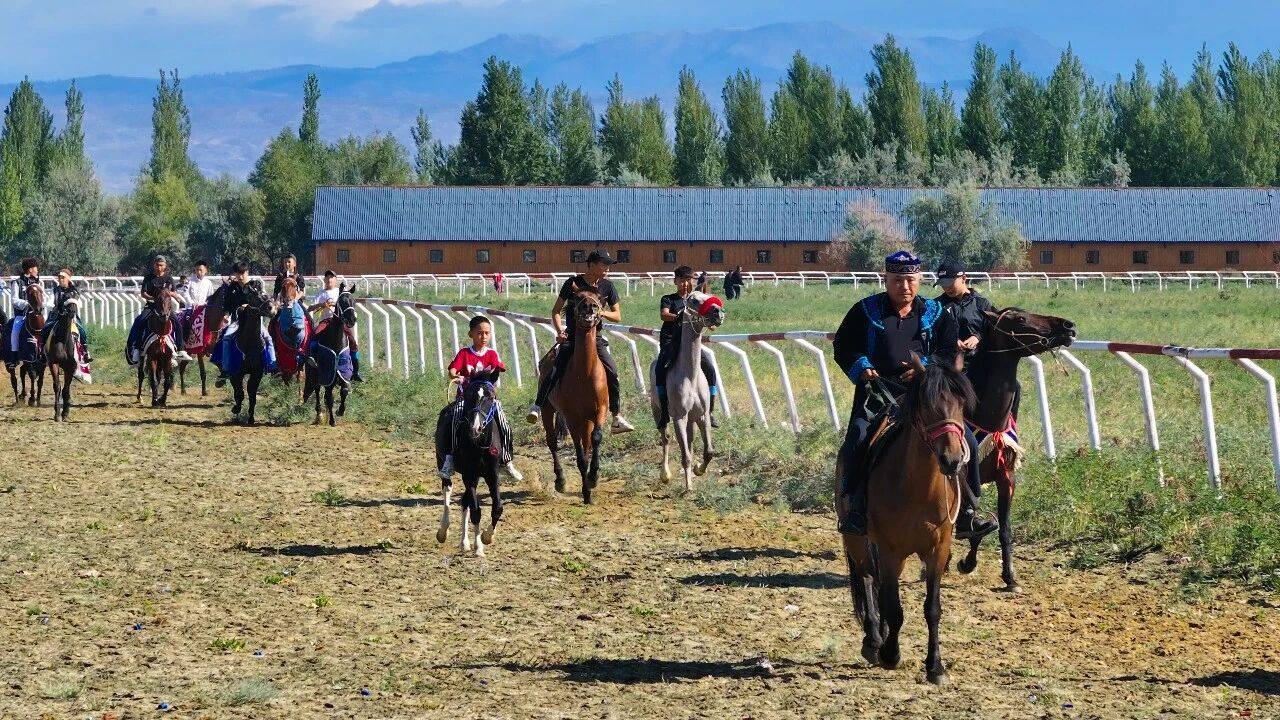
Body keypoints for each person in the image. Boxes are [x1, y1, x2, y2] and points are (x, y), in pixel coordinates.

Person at [832, 250, 995, 540]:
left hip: (925, 397)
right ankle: (856, 506)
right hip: (878, 395)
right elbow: (844, 346)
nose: (904, 287)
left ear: (919, 280)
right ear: (886, 279)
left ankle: (969, 511)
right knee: (856, 438)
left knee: (966, 438)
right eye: (897, 280)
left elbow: (948, 352)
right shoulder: (865, 311)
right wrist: (863, 367)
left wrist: (927, 369)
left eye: (910, 280)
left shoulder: (937, 314)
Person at [525, 250, 635, 434]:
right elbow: (556, 311)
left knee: (613, 371)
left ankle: (616, 416)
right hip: (572, 337)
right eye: (603, 264)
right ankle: (538, 404)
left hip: (595, 339)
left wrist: (602, 313)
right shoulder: (572, 283)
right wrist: (560, 331)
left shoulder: (608, 286)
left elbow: (617, 315)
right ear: (591, 265)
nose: (607, 268)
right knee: (554, 368)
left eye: (608, 264)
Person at [439, 315, 523, 481]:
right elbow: (452, 371)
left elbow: (498, 368)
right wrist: (456, 376)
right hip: (466, 399)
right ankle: (448, 459)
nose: (483, 337)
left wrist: (494, 370)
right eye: (479, 333)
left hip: (488, 402)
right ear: (471, 334)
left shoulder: (492, 354)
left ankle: (507, 461)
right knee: (454, 419)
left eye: (487, 333)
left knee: (504, 424)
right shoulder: (464, 353)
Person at [655, 265, 720, 428]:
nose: (685, 284)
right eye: (682, 280)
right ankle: (664, 411)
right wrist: (679, 315)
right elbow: (664, 314)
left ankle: (710, 411)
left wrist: (711, 322)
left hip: (690, 345)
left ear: (692, 281)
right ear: (675, 281)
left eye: (688, 280)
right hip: (671, 340)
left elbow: (709, 322)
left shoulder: (698, 299)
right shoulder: (668, 299)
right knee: (659, 369)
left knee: (710, 369)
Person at [128, 255, 192, 364]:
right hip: (152, 306)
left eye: (161, 265)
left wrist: (166, 294)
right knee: (139, 321)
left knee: (177, 323)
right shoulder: (148, 277)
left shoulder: (168, 278)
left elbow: (175, 293)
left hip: (165, 308)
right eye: (157, 265)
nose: (159, 267)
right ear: (154, 265)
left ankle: (180, 349)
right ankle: (137, 349)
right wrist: (154, 298)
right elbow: (143, 293)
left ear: (165, 265)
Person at [307, 270, 363, 382]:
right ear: (324, 280)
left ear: (335, 280)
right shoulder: (321, 293)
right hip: (325, 321)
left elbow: (347, 301)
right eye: (327, 277)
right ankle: (313, 359)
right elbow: (310, 307)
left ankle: (356, 370)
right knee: (314, 335)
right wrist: (322, 304)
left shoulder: (340, 292)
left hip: (340, 321)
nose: (329, 279)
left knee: (352, 341)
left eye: (331, 277)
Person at [934, 260, 993, 367]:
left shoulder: (982, 303)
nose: (947, 288)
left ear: (964, 279)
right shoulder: (936, 305)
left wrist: (978, 337)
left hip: (980, 363)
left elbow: (993, 328)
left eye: (950, 283)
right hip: (947, 365)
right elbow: (931, 332)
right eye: (943, 284)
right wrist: (950, 340)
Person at [44, 269, 93, 377]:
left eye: (63, 277)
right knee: (45, 328)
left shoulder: (74, 290)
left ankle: (85, 351)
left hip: (71, 317)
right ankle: (42, 353)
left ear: (68, 279)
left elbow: (78, 303)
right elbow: (50, 301)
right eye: (59, 278)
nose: (60, 280)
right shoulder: (56, 290)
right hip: (57, 316)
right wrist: (53, 305)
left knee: (82, 330)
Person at [8, 258, 45, 355]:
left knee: (49, 329)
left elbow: (44, 298)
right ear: (30, 269)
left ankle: (47, 352)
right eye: (36, 268)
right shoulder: (17, 282)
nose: (37, 270)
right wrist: (27, 304)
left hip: (38, 315)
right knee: (15, 332)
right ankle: (14, 355)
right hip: (22, 315)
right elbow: (14, 300)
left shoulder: (39, 283)